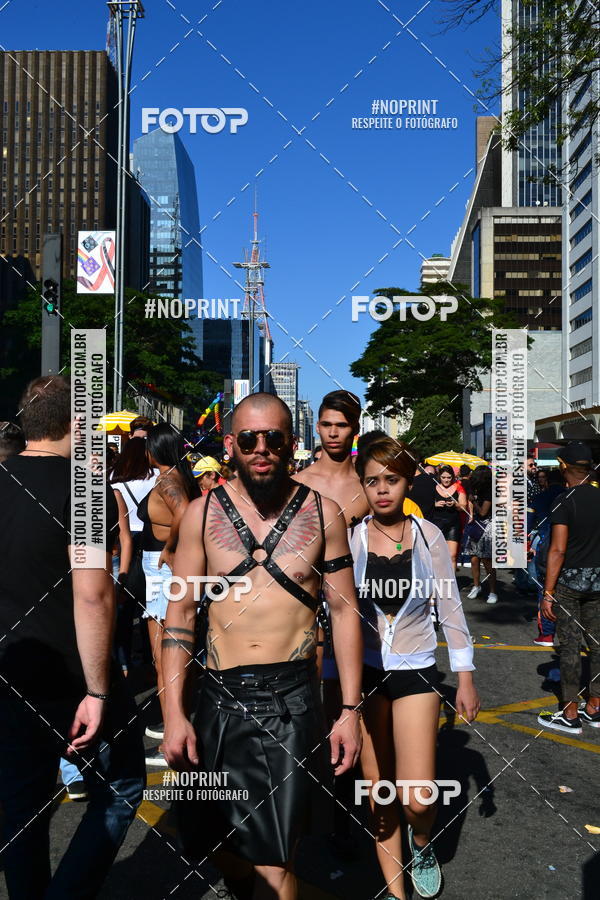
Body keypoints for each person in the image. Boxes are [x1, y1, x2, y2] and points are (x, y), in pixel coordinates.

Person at [162, 392, 363, 900]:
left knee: (275, 859)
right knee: (225, 847)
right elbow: (180, 615)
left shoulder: (324, 514)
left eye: (273, 438)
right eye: (249, 438)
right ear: (231, 444)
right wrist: (173, 715)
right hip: (217, 701)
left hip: (291, 705)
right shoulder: (200, 515)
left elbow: (343, 612)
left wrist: (349, 710)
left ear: (291, 443)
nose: (261, 448)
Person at [0, 376, 145, 899]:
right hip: (68, 675)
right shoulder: (83, 491)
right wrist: (100, 690)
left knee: (22, 807)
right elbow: (92, 595)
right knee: (124, 784)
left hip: (12, 671)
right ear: (76, 424)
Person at [353, 437, 479, 900]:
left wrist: (464, 676)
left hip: (417, 668)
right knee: (378, 795)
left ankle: (421, 843)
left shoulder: (428, 536)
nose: (382, 489)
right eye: (372, 481)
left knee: (418, 798)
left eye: (392, 479)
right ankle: (395, 891)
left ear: (407, 482)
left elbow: (450, 608)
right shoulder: (349, 537)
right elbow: (337, 613)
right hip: (363, 673)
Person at [140, 423, 200, 765]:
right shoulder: (178, 476)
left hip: (161, 568)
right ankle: (174, 727)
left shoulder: (166, 480)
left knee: (165, 659)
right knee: (173, 657)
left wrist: (171, 545)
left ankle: (170, 738)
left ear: (156, 449)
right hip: (164, 568)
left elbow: (183, 513)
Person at [538, 443, 600, 734]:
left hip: (570, 583)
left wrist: (547, 592)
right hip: (598, 581)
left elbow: (558, 550)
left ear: (564, 467)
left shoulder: (564, 500)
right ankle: (595, 706)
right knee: (597, 644)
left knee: (571, 646)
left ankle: (570, 712)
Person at [110, 437, 159, 679]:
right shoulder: (156, 478)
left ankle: (124, 662)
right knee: (152, 603)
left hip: (122, 542)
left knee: (124, 608)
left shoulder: (113, 480)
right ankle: (154, 657)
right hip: (152, 540)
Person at [295, 390, 367, 528]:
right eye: (326, 425)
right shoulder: (295, 485)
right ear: (317, 427)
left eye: (341, 425)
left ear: (356, 428)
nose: (333, 433)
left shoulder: (368, 486)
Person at [530, 468, 565, 646]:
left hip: (545, 544)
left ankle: (547, 633)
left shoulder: (540, 498)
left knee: (543, 589)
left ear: (547, 481)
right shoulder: (570, 496)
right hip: (570, 548)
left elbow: (528, 522)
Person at [463, 465, 498, 604]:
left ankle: (493, 591)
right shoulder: (476, 487)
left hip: (488, 526)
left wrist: (473, 501)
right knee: (474, 558)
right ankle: (477, 586)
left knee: (487, 561)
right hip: (476, 525)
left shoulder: (490, 490)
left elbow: (483, 512)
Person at [430, 465, 467, 570]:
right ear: (439, 477)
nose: (446, 480)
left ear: (453, 477)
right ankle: (437, 581)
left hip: (453, 524)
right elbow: (425, 504)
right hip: (436, 523)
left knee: (452, 555)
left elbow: (464, 506)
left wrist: (456, 504)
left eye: (449, 477)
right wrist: (435, 504)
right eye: (443, 477)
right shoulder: (434, 486)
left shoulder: (458, 487)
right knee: (437, 556)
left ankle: (451, 584)